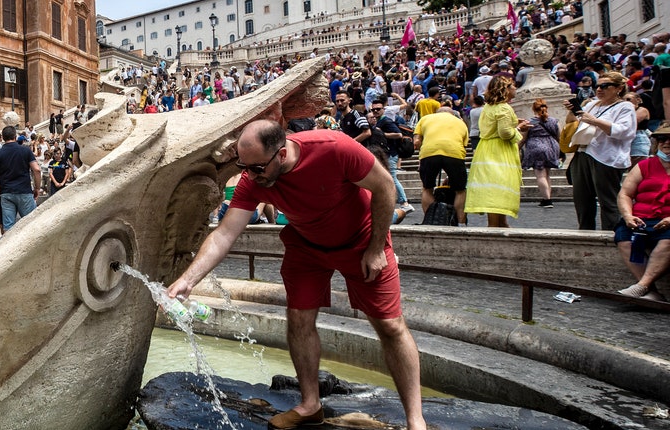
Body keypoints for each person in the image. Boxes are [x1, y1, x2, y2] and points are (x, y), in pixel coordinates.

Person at [167, 121, 426, 430]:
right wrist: (187, 280)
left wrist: (375, 248)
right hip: (306, 244)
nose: (249, 175)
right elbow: (224, 235)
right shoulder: (255, 177)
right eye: (243, 167)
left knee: (390, 325)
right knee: (299, 319)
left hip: (362, 238)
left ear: (282, 153)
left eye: (258, 168)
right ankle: (310, 404)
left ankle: (415, 419)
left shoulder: (334, 148)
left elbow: (385, 187)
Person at [571, 72, 638, 230]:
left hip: (606, 156)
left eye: (605, 86)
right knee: (582, 199)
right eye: (597, 86)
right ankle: (585, 232)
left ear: (618, 88)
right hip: (584, 152)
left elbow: (625, 131)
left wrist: (595, 121)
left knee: (608, 200)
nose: (599, 89)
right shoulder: (592, 105)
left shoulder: (625, 107)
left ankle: (611, 233)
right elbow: (580, 123)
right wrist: (573, 111)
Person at [613, 122, 670, 300]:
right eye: (661, 139)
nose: (666, 143)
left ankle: (642, 286)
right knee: (623, 238)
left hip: (667, 220)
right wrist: (628, 215)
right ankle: (650, 290)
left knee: (668, 240)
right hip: (641, 218)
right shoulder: (645, 165)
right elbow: (625, 193)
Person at [465, 76, 529, 227]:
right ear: (505, 89)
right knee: (498, 189)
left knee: (492, 187)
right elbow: (505, 133)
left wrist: (514, 122)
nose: (515, 89)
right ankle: (495, 227)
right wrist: (519, 129)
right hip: (499, 150)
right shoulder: (504, 108)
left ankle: (501, 224)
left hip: (486, 149)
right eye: (512, 86)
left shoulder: (488, 107)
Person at [413, 106, 469, 223]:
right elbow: (464, 145)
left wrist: (421, 153)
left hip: (429, 152)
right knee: (460, 190)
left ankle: (431, 220)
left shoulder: (425, 119)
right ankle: (460, 221)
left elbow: (417, 141)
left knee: (427, 188)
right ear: (452, 114)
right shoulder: (460, 123)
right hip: (454, 153)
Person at [0, 125, 42, 230]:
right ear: (15, 136)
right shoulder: (26, 150)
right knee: (31, 224)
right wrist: (37, 188)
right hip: (24, 191)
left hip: (6, 192)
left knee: (8, 227)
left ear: (3, 138)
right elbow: (37, 170)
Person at [520, 98, 562, 208]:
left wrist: (517, 148)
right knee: (547, 174)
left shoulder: (530, 122)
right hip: (551, 147)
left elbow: (523, 138)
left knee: (540, 175)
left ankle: (547, 199)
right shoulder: (553, 121)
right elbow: (558, 136)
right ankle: (547, 197)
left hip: (536, 146)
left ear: (534, 109)